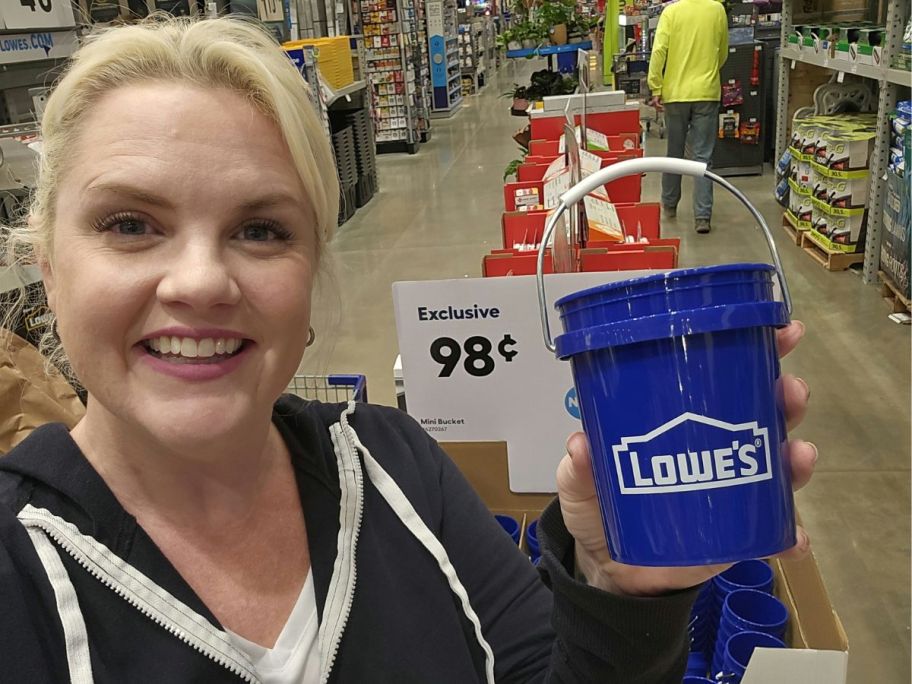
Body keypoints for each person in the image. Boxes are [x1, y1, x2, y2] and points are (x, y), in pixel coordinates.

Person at [0, 16, 816, 683]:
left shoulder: (395, 471)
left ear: (311, 268)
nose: (202, 281)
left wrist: (620, 587)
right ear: (46, 261)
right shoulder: (20, 570)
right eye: (130, 225)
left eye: (260, 230)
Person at [647, 0, 729, 234]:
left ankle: (670, 205)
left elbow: (659, 50)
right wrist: (708, 73)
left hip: (675, 94)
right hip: (707, 92)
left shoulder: (671, 12)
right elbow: (722, 52)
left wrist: (656, 86)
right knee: (703, 156)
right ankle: (702, 217)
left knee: (674, 153)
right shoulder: (717, 10)